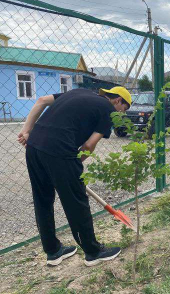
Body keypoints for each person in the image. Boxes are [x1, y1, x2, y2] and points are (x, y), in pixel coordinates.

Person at [17, 87, 132, 266]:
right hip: (60, 148)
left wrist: (26, 131)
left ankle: (53, 251)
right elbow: (88, 145)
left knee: (42, 200)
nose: (121, 114)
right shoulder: (108, 110)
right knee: (76, 200)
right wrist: (76, 163)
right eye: (124, 109)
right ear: (118, 100)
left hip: (33, 146)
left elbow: (41, 101)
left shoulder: (80, 91)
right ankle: (93, 252)